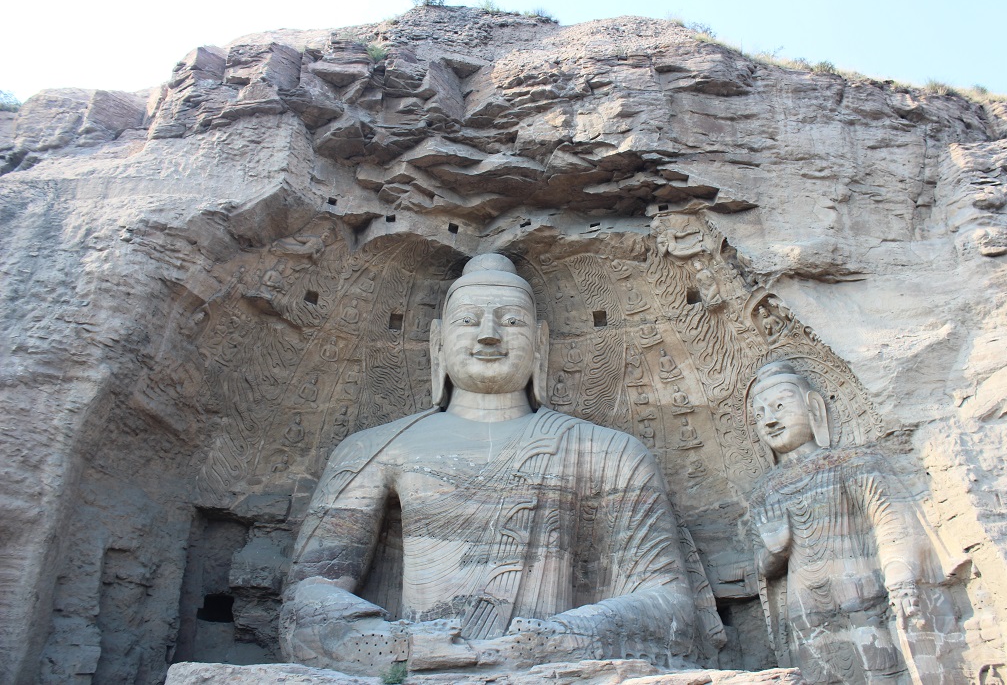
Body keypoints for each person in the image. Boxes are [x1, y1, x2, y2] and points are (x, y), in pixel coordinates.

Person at [280, 254, 717, 676]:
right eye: (468, 321)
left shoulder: (610, 452)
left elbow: (670, 608)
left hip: (557, 664)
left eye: (511, 322)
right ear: (437, 342)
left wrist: (559, 637)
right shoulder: (375, 450)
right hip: (415, 660)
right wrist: (402, 646)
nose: (489, 335)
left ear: (542, 342)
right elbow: (307, 601)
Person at [748, 361, 951, 684]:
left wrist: (900, 575)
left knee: (886, 674)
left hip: (863, 595)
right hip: (806, 613)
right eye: (759, 415)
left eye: (780, 406)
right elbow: (764, 568)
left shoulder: (852, 462)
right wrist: (774, 552)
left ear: (814, 407)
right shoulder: (765, 491)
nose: (769, 419)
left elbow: (889, 521)